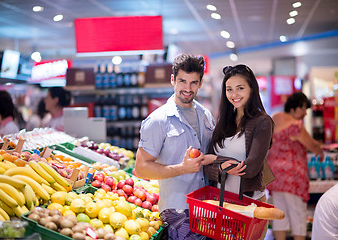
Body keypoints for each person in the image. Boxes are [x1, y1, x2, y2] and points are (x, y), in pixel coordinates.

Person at [135, 54, 215, 239]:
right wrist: (181, 168)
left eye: (193, 82)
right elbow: (141, 168)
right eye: (182, 81)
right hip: (178, 210)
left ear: (201, 83)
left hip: (208, 206)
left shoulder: (206, 116)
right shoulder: (158, 120)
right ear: (173, 80)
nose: (187, 88)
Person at [203, 64, 274, 240]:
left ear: (252, 89)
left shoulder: (262, 122)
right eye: (229, 89)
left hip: (248, 205)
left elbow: (250, 169)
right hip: (221, 203)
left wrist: (216, 160)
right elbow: (206, 167)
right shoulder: (224, 121)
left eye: (240, 88)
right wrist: (219, 166)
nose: (234, 94)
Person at [266, 92, 324, 240]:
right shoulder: (295, 125)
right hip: (292, 178)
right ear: (293, 108)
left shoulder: (275, 118)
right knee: (298, 216)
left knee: (280, 216)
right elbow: (311, 144)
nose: (305, 113)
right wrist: (320, 151)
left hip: (275, 176)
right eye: (303, 108)